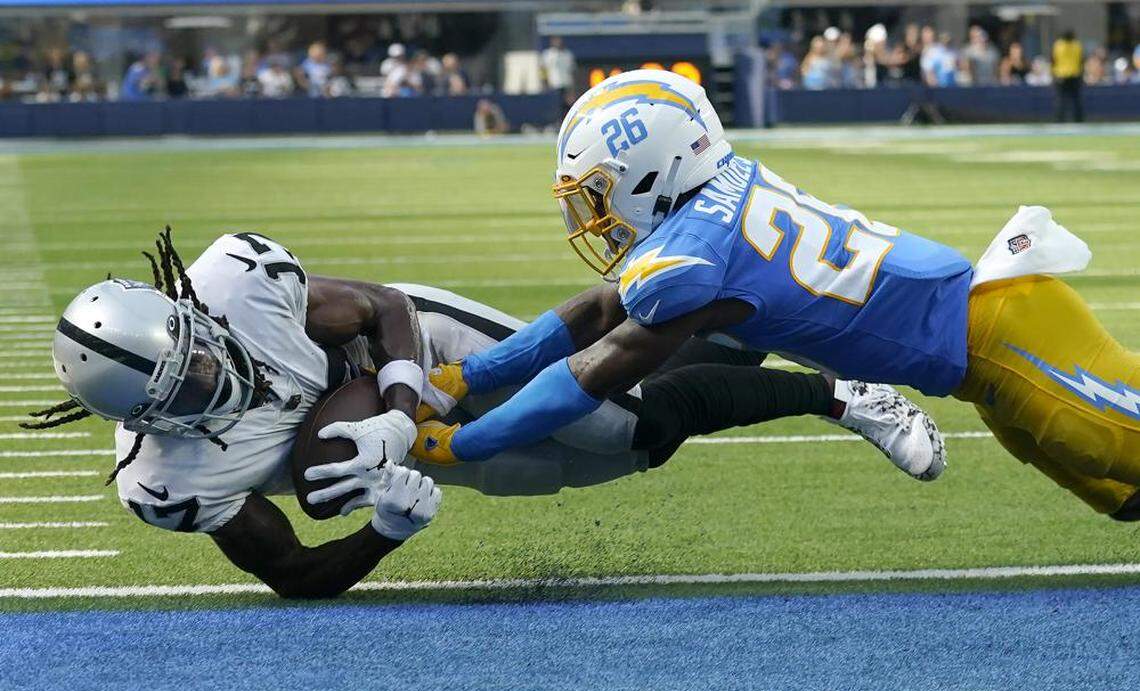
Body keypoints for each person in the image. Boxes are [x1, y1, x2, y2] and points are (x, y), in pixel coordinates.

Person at [28, 226, 943, 596]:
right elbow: (291, 575)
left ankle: (836, 389)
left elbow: (385, 307)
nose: (205, 384)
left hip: (422, 352)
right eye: (181, 395)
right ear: (151, 422)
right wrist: (387, 530)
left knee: (625, 422)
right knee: (609, 456)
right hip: (399, 453)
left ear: (190, 317)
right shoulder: (166, 481)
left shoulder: (239, 286)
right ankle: (731, 323)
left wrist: (395, 403)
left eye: (194, 359)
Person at [397, 68, 1140, 523]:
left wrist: (465, 441)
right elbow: (595, 311)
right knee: (1108, 484)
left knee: (1107, 442)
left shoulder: (695, 258)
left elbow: (589, 375)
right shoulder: (716, 192)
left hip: (1001, 336)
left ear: (651, 173)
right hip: (982, 346)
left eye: (597, 194)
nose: (590, 215)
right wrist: (470, 377)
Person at [1052, 30, 1084, 122]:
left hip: (1061, 75)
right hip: (1074, 75)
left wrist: (1053, 74)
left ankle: (1059, 120)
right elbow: (1081, 60)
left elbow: (1053, 60)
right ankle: (1078, 120)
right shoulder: (1077, 45)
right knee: (1076, 100)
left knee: (1061, 100)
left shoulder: (1058, 45)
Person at [542, 36, 576, 101]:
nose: (558, 43)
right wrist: (545, 84)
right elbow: (543, 70)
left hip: (566, 85)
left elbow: (572, 71)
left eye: (559, 40)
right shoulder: (547, 54)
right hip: (553, 85)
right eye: (555, 41)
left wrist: (572, 89)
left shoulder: (567, 54)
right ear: (551, 42)